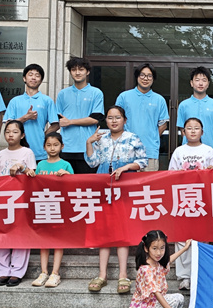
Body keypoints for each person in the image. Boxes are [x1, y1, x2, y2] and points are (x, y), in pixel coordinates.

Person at [84, 105, 147, 294]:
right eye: (110, 118)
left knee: (122, 230)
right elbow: (92, 163)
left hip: (125, 187)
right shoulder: (101, 138)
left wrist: (126, 167)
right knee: (104, 229)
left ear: (124, 120)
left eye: (117, 117)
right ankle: (102, 275)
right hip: (104, 187)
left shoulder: (133, 137)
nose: (113, 121)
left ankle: (123, 275)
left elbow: (143, 161)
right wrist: (89, 142)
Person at [169, 118, 213, 290]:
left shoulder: (208, 150)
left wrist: (209, 172)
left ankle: (200, 273)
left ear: (202, 132)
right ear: (183, 132)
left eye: (197, 128)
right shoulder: (179, 151)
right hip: (183, 198)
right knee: (182, 237)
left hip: (202, 199)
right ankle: (184, 276)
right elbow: (170, 175)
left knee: (202, 236)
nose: (193, 131)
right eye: (189, 128)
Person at [0, 120, 36, 287]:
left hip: (20, 199)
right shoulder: (0, 154)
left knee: (20, 234)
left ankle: (17, 271)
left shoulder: (27, 152)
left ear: (22, 135)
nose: (11, 134)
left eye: (15, 132)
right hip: (2, 199)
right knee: (0, 234)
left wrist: (21, 167)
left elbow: (32, 175)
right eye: (8, 131)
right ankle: (2, 271)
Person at [31, 132, 74, 289]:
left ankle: (55, 273)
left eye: (55, 145)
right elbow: (34, 185)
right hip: (43, 206)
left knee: (57, 240)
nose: (52, 148)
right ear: (44, 147)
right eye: (49, 145)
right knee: (44, 241)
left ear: (62, 146)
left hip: (59, 207)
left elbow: (75, 185)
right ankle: (43, 272)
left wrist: (67, 175)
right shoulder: (41, 165)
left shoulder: (66, 164)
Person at [129, 232, 191, 308]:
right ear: (146, 248)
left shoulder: (157, 264)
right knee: (176, 299)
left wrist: (185, 248)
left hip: (153, 305)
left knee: (179, 299)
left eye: (162, 248)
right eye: (154, 248)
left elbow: (169, 260)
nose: (159, 253)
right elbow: (157, 293)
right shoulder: (146, 270)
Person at [55, 57, 104, 175]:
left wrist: (70, 122)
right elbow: (59, 120)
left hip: (88, 147)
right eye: (73, 70)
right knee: (66, 183)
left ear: (87, 72)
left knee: (87, 184)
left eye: (81, 69)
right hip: (66, 147)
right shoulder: (63, 94)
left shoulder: (96, 93)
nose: (77, 73)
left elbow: (95, 119)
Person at [116, 63, 169, 171]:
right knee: (127, 181)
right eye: (142, 75)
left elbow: (163, 125)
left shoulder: (159, 100)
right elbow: (117, 121)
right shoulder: (124, 97)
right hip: (126, 150)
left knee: (149, 182)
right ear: (137, 76)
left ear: (153, 78)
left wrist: (152, 137)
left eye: (149, 76)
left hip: (149, 152)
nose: (145, 78)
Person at [4, 63, 58, 163]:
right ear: (24, 78)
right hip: (16, 151)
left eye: (37, 75)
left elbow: (56, 124)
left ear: (41, 80)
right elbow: (8, 125)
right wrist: (26, 117)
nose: (33, 78)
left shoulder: (47, 100)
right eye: (30, 74)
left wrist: (43, 136)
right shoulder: (15, 101)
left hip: (39, 151)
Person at [177, 66, 213, 157]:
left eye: (204, 80)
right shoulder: (183, 105)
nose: (200, 83)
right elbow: (182, 130)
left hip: (209, 153)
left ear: (208, 84)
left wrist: (211, 147)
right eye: (197, 80)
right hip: (188, 154)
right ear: (191, 83)